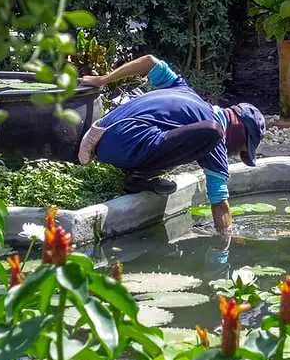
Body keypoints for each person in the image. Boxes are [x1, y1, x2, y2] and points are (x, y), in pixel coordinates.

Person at [78, 55, 265, 233]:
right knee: (212, 132)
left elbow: (149, 61)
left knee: (187, 132)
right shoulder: (215, 136)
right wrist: (227, 241)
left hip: (99, 133)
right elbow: (220, 202)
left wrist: (102, 79)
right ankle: (137, 178)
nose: (232, 155)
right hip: (123, 144)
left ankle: (139, 174)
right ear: (239, 131)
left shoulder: (183, 88)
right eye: (240, 150)